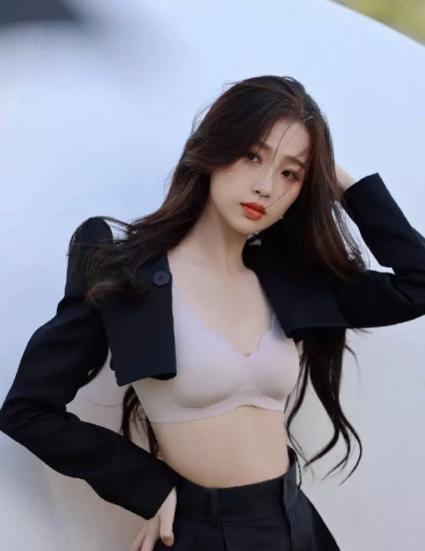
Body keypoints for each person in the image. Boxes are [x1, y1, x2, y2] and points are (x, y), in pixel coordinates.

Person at [1, 75, 425, 551]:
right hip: (204, 531)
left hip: (297, 522)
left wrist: (338, 180)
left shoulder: (287, 280)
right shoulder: (124, 274)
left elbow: (417, 284)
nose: (265, 187)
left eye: (290, 174)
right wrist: (147, 486)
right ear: (211, 150)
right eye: (253, 156)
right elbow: (28, 410)